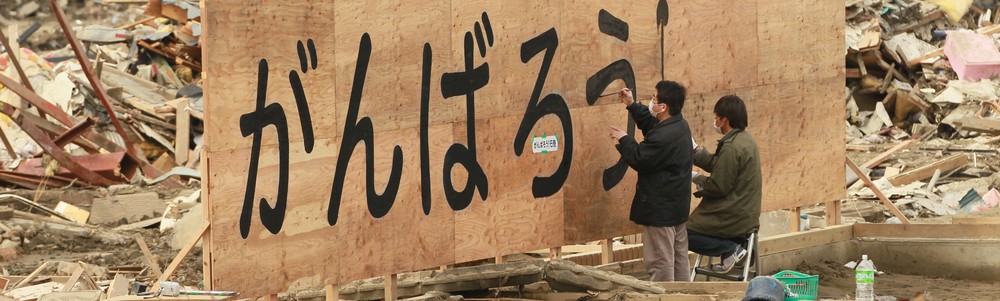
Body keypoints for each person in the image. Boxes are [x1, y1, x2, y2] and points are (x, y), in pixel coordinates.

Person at [609, 81, 692, 281]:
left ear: (663, 107)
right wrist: (631, 104)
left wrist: (623, 139)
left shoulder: (665, 136)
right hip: (677, 209)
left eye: (654, 99)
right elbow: (653, 127)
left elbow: (639, 157)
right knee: (679, 261)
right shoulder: (678, 124)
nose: (651, 101)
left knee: (660, 263)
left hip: (660, 211)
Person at [688, 95, 762, 273]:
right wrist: (696, 150)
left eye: (716, 118)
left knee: (684, 234)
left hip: (733, 213)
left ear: (724, 119)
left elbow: (718, 185)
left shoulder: (731, 147)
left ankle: (730, 249)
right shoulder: (744, 140)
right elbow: (719, 165)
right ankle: (737, 246)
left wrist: (695, 177)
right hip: (743, 210)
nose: (715, 122)